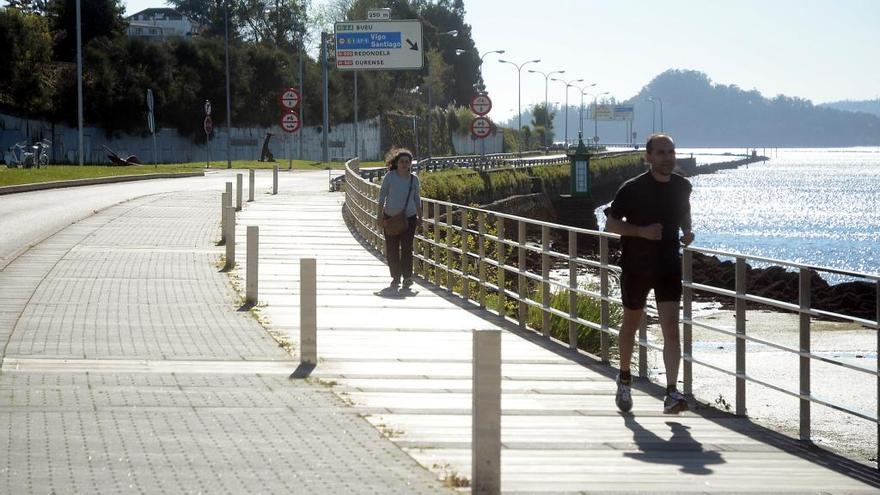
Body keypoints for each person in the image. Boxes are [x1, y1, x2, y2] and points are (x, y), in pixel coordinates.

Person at [604, 133, 695, 414]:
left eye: (671, 152)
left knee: (671, 329)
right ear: (648, 157)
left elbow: (683, 212)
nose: (668, 157)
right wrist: (642, 232)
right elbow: (611, 225)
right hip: (637, 265)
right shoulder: (632, 188)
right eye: (661, 153)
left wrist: (686, 231)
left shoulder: (683, 186)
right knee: (631, 324)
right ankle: (624, 379)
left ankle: (671, 392)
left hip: (668, 264)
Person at [376, 148, 422, 290]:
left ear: (410, 164)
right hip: (390, 218)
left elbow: (417, 198)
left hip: (409, 218)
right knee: (392, 249)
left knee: (407, 248)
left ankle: (407, 277)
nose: (404, 164)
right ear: (396, 162)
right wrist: (379, 216)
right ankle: (395, 277)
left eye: (407, 162)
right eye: (401, 161)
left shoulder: (414, 179)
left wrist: (420, 216)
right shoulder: (390, 176)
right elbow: (382, 196)